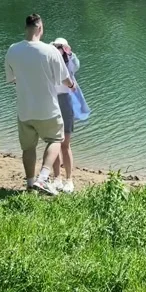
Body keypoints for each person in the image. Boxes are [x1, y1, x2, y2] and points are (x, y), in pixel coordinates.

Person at [5, 14, 75, 196]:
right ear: (40, 28)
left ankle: (30, 185)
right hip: (48, 110)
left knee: (28, 148)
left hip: (25, 110)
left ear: (26, 28)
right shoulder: (50, 51)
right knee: (55, 140)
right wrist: (72, 86)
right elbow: (65, 78)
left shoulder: (13, 50)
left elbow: (11, 79)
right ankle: (43, 178)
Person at [51, 37, 80, 194]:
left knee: (65, 143)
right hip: (52, 101)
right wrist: (52, 48)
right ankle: (57, 177)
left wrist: (68, 51)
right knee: (54, 141)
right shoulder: (49, 59)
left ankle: (69, 179)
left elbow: (76, 65)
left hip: (65, 101)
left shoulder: (70, 61)